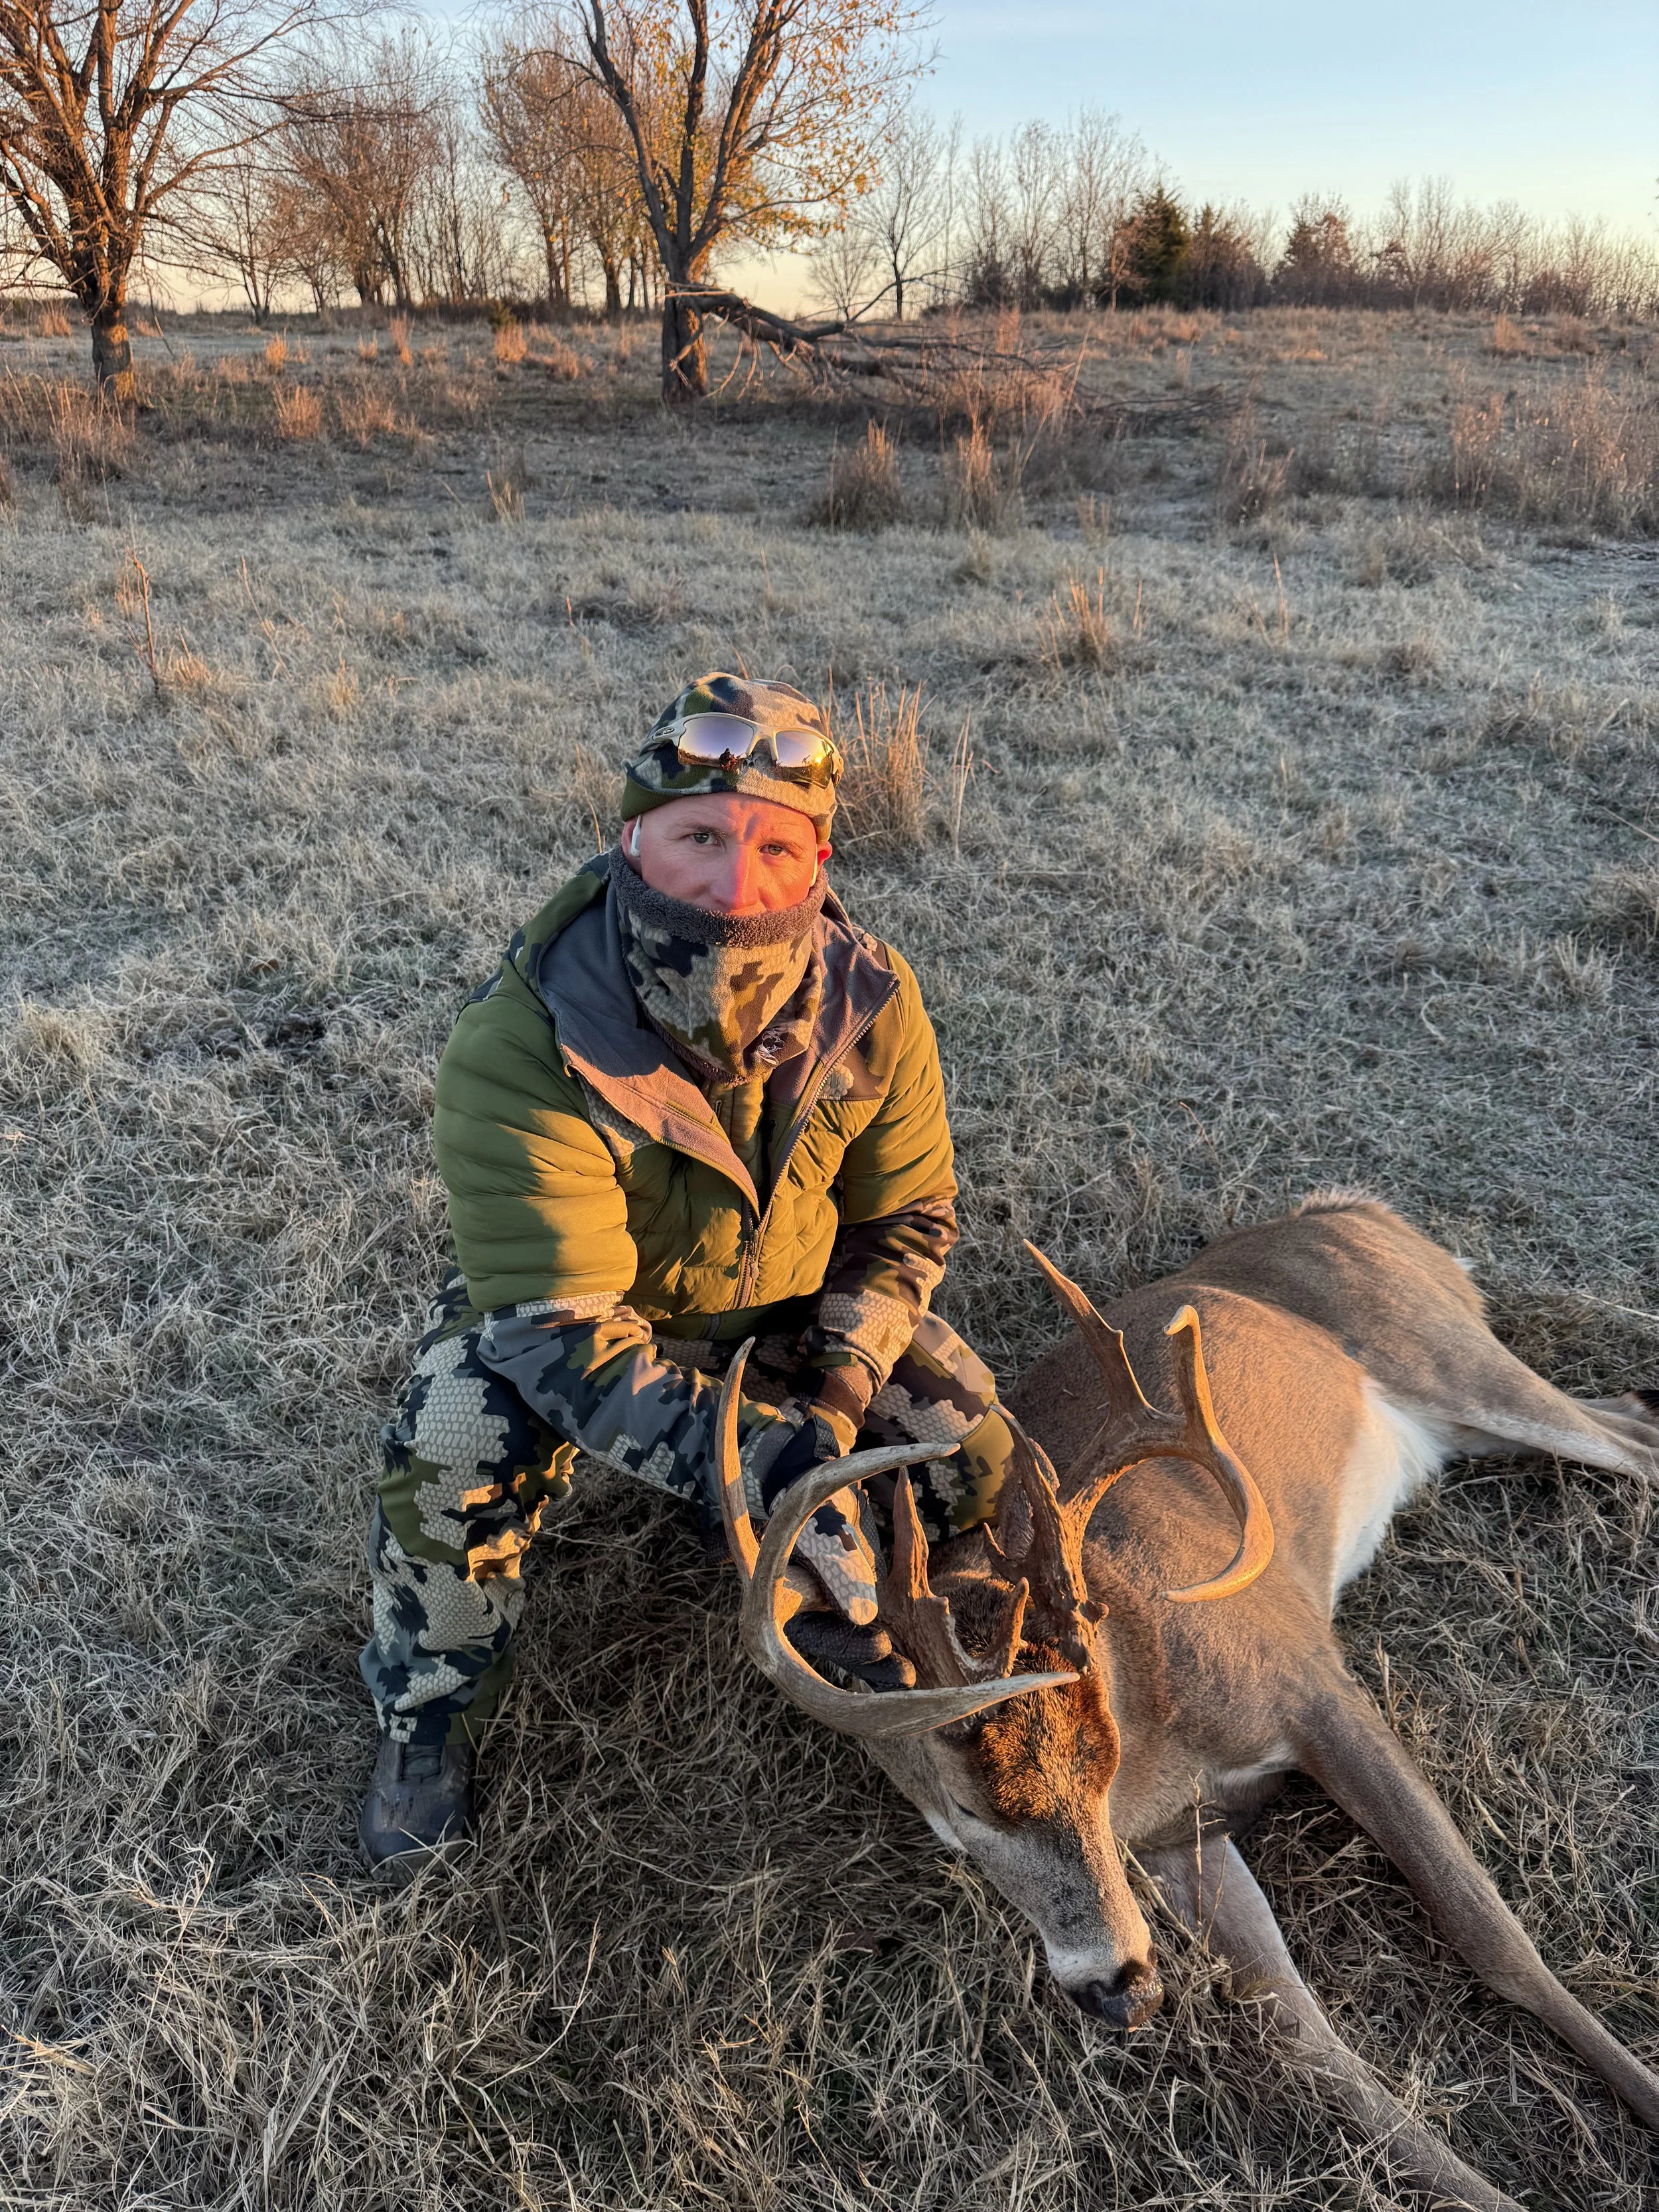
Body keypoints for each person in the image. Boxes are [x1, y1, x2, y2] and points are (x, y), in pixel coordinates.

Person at [358, 672, 1020, 1864]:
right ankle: (427, 1717)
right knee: (449, 1454)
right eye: (699, 838)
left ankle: (900, 1616)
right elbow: (560, 1331)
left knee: (970, 1457)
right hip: (593, 1320)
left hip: (793, 1309)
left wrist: (833, 1398)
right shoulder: (522, 1041)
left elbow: (908, 1218)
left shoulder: (875, 999)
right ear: (632, 838)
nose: (735, 883)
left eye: (777, 846)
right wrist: (765, 1466)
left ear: (818, 858)